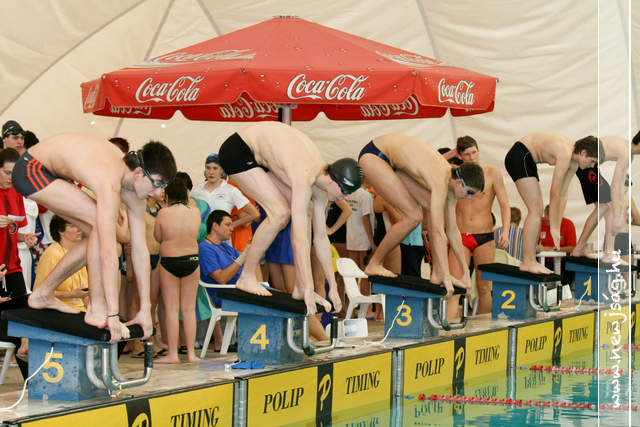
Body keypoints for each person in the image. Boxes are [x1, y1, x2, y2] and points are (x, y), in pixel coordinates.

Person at [12, 135, 176, 342]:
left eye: (163, 186)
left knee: (95, 231)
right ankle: (96, 307)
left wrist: (145, 309)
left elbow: (140, 249)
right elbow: (108, 254)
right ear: (138, 173)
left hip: (55, 172)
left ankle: (43, 293)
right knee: (98, 228)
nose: (158, 192)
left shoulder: (136, 190)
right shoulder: (109, 181)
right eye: (156, 184)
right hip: (30, 168)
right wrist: (112, 314)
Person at [218, 122, 362, 314]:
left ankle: (299, 287)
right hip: (239, 150)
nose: (345, 198)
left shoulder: (321, 187)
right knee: (280, 213)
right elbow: (298, 240)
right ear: (333, 180)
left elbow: (321, 238)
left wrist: (333, 287)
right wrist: (310, 287)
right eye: (345, 192)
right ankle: (247, 276)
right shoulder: (305, 177)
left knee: (307, 209)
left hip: (263, 156)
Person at [358, 134, 484, 295]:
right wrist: (447, 275)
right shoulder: (440, 181)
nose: (469, 198)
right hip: (375, 155)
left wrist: (465, 272)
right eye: (469, 193)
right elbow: (437, 231)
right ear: (460, 183)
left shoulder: (451, 187)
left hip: (394, 163)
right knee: (413, 217)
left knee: (429, 209)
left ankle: (437, 272)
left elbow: (453, 231)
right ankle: (374, 263)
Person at [504, 132, 600, 274]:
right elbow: (554, 192)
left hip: (527, 159)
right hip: (520, 155)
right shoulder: (565, 153)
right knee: (536, 210)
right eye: (592, 161)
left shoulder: (573, 162)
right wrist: (554, 228)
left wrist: (558, 224)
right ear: (583, 153)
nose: (592, 166)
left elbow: (563, 194)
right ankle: (528, 261)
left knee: (537, 209)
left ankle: (531, 260)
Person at [447, 136, 510, 315]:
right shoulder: (454, 173)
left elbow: (505, 204)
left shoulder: (492, 173)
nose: (472, 157)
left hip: (484, 236)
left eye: (474, 152)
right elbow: (432, 160)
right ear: (460, 156)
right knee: (456, 285)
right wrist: (451, 153)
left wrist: (505, 231)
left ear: (478, 151)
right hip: (460, 236)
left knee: (484, 287)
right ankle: (450, 324)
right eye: (467, 154)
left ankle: (484, 327)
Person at [154, 179, 201, 364]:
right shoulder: (195, 212)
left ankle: (173, 354)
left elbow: (158, 236)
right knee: (189, 309)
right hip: (192, 260)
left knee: (172, 309)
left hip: (170, 261)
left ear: (168, 196)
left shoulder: (163, 213)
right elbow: (196, 233)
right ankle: (191, 354)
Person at [199, 210, 249, 349]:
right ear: (215, 226)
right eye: (227, 225)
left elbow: (244, 269)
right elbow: (221, 278)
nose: (232, 228)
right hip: (225, 295)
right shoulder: (205, 248)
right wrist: (243, 255)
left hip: (239, 290)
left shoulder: (224, 247)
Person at [190, 153, 259, 231]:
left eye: (215, 168)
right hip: (200, 237)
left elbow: (254, 214)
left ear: (221, 170)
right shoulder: (196, 191)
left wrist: (230, 226)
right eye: (208, 168)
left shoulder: (231, 190)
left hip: (222, 238)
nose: (211, 172)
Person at [33, 215, 88, 311]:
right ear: (61, 231)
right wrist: (71, 294)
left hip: (81, 309)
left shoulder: (78, 253)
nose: (79, 229)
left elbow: (86, 292)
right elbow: (38, 292)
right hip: (59, 310)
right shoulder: (52, 254)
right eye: (73, 226)